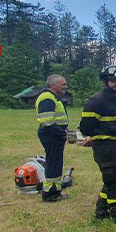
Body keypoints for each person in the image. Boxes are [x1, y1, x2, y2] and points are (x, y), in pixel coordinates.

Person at [80, 65, 116, 223]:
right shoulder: (96, 101)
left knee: (115, 179)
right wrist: (100, 135)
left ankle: (101, 209)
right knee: (113, 181)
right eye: (112, 80)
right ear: (105, 82)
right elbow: (86, 127)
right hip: (106, 147)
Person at [36, 74, 69, 202]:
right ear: (53, 85)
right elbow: (47, 121)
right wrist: (61, 133)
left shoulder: (52, 97)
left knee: (55, 162)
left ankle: (55, 189)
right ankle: (49, 194)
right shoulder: (47, 98)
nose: (66, 87)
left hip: (54, 135)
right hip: (51, 135)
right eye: (63, 84)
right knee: (53, 162)